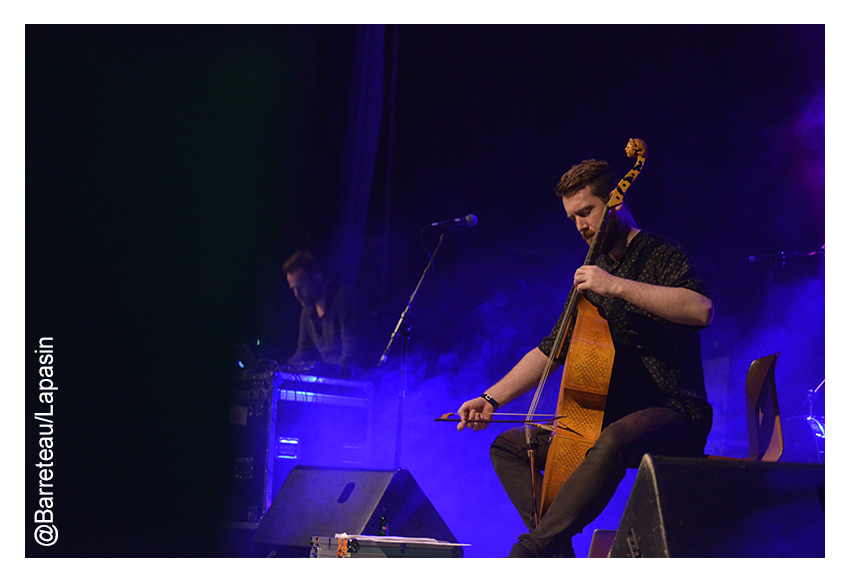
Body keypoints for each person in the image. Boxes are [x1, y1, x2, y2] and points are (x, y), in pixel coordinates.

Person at [455, 159, 714, 558]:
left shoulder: (659, 253)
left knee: (612, 440)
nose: (579, 226)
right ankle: (555, 547)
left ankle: (535, 549)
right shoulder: (591, 273)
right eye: (571, 217)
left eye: (585, 212)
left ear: (615, 202)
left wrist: (616, 286)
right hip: (603, 422)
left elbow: (701, 310)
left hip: (674, 410)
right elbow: (553, 348)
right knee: (510, 447)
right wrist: (490, 400)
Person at [283, 250, 380, 378]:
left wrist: (329, 381)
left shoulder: (345, 298)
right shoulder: (307, 311)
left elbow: (353, 357)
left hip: (364, 379)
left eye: (300, 287)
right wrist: (280, 370)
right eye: (293, 289)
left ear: (317, 279)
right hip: (337, 380)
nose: (296, 294)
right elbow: (303, 353)